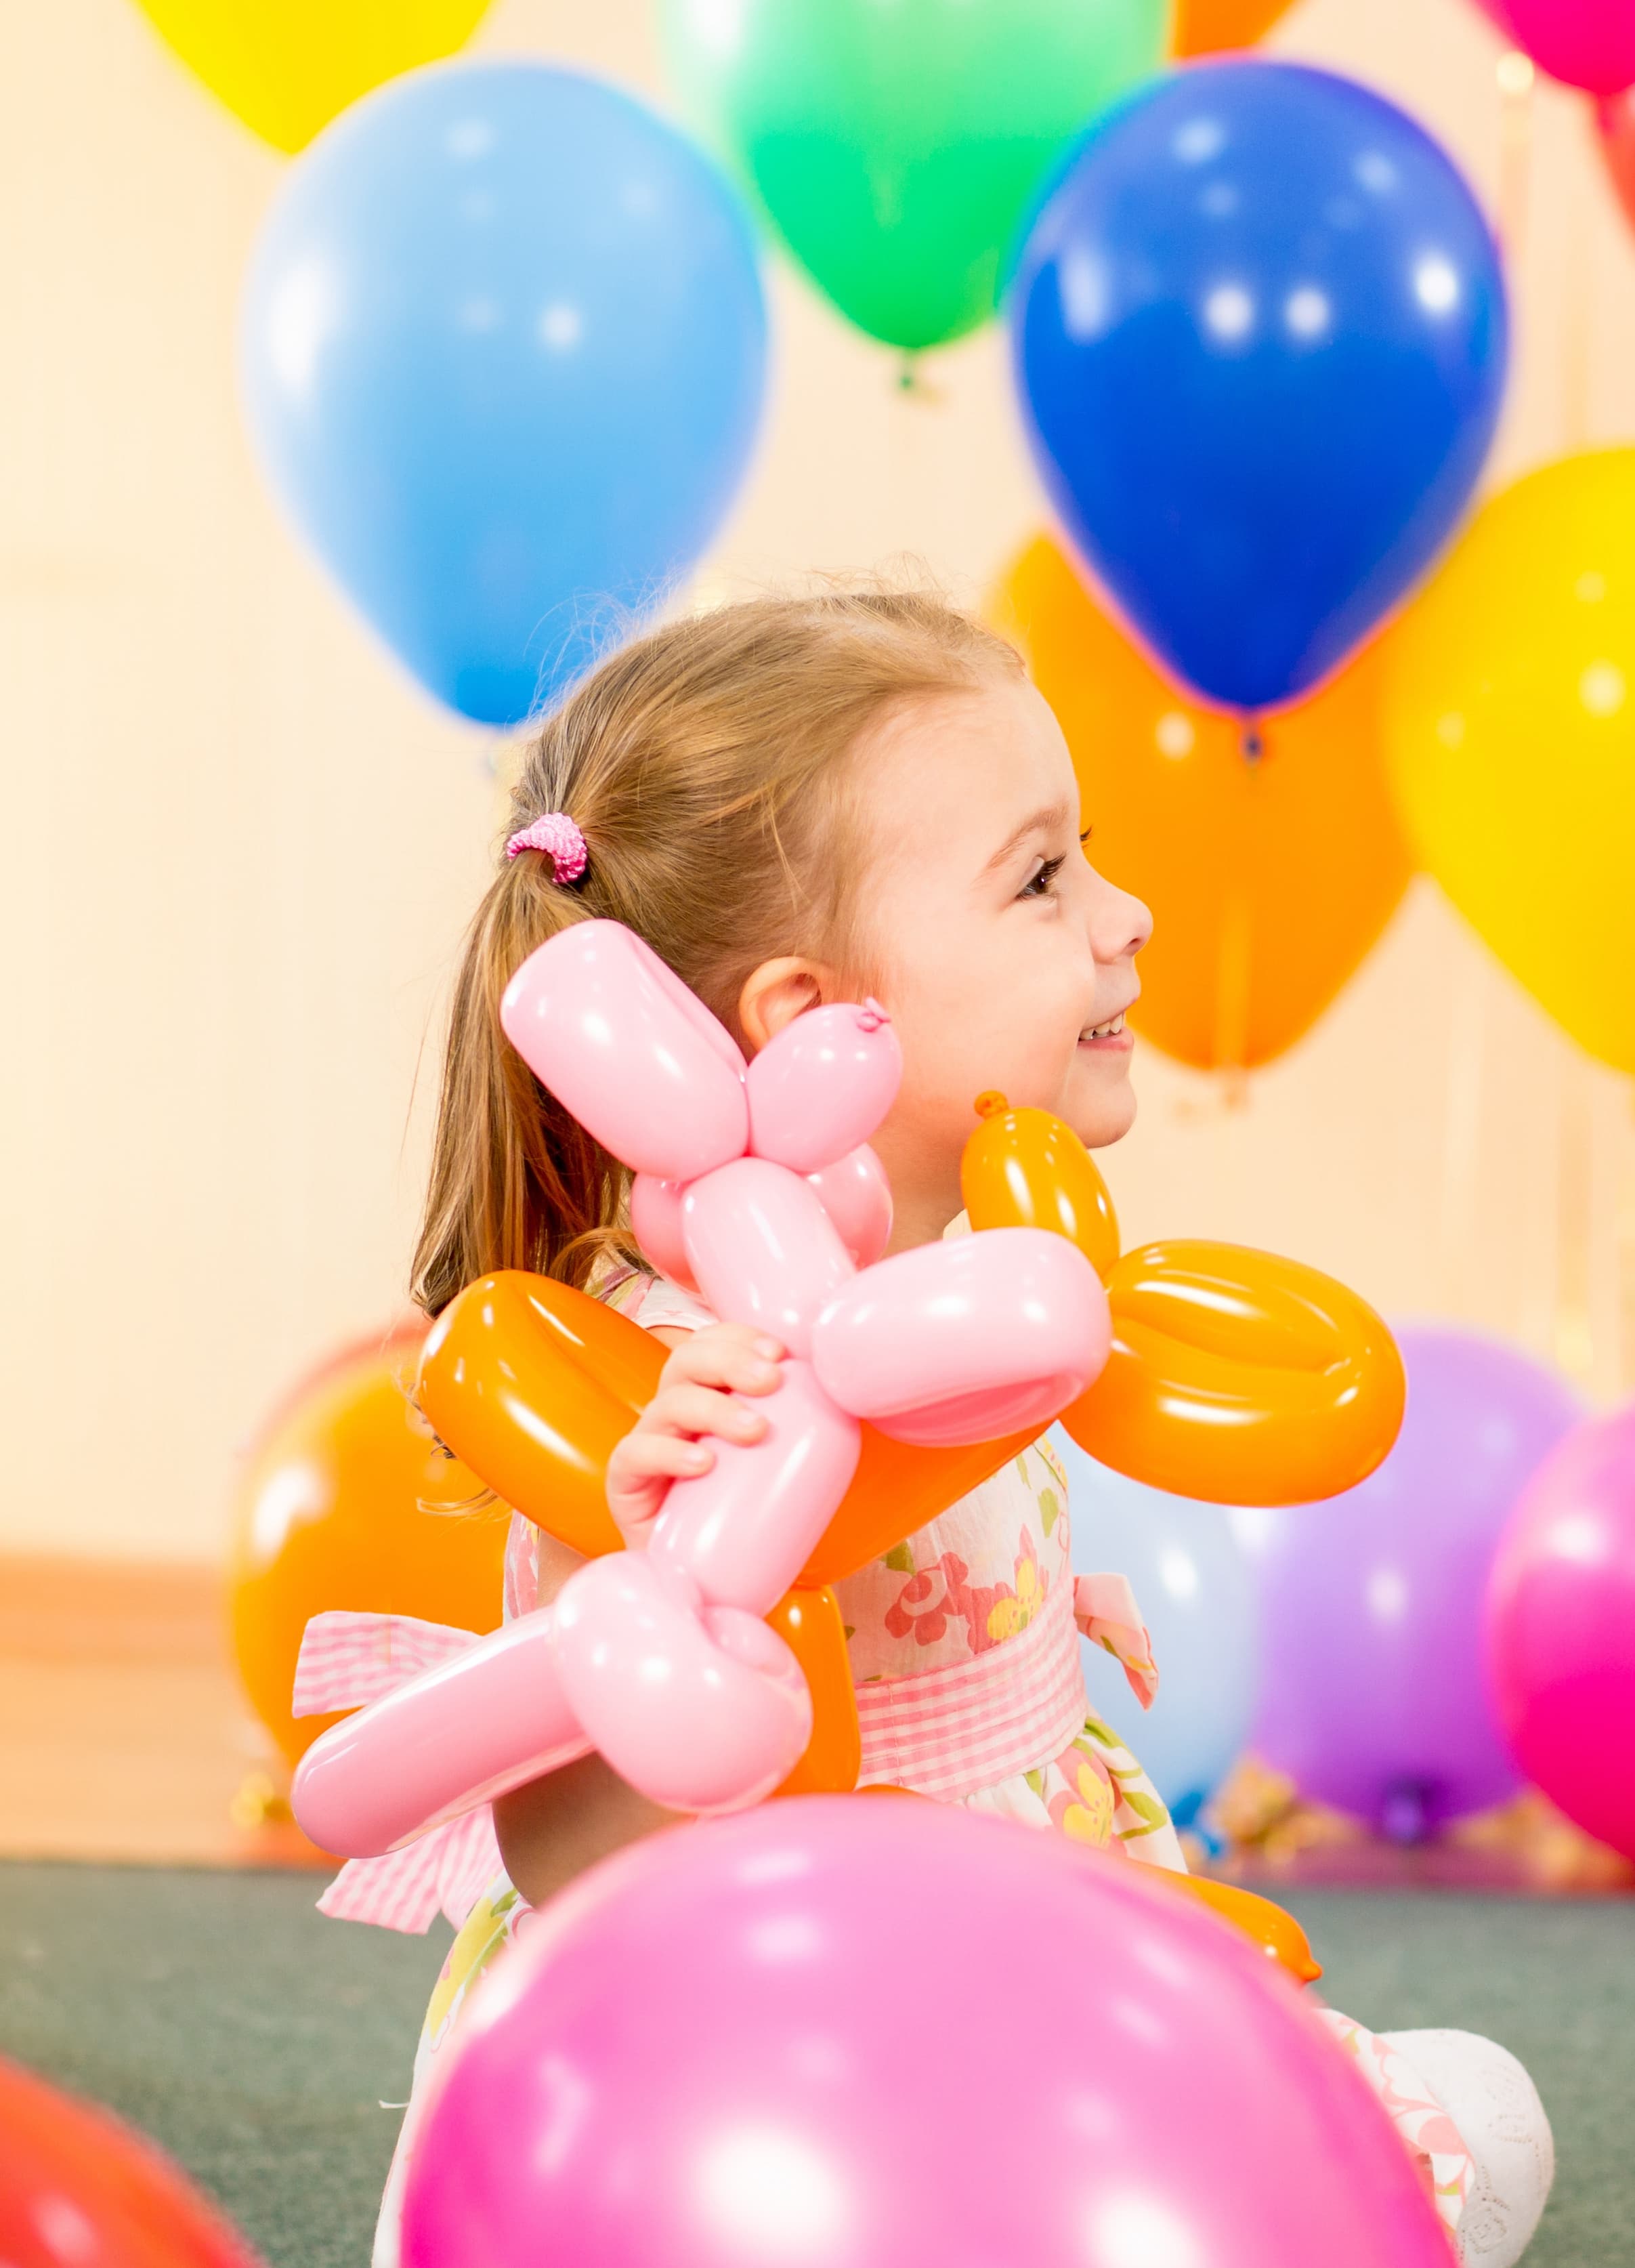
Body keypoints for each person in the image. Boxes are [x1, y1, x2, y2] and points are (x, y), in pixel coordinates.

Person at [362, 589, 1552, 2265]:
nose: (1124, 911)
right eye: (1041, 875)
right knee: (1413, 2158)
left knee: (1470, 2124)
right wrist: (614, 1539)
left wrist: (1029, 1607)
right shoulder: (665, 1381)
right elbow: (574, 1843)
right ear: (804, 1016)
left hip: (1018, 1932)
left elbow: (910, 1557)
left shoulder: (959, 1278)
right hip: (769, 2052)